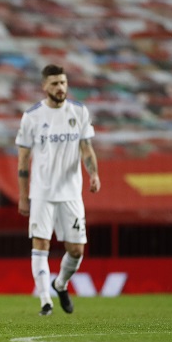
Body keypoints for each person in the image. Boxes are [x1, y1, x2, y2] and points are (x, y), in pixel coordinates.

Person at [16, 64, 101, 316]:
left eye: (63, 82)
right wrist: (23, 195)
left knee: (76, 251)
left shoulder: (79, 112)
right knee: (40, 244)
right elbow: (23, 160)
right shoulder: (32, 117)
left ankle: (60, 283)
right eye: (54, 83)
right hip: (41, 193)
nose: (60, 87)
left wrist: (93, 173)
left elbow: (86, 148)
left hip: (71, 193)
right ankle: (45, 300)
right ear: (44, 86)